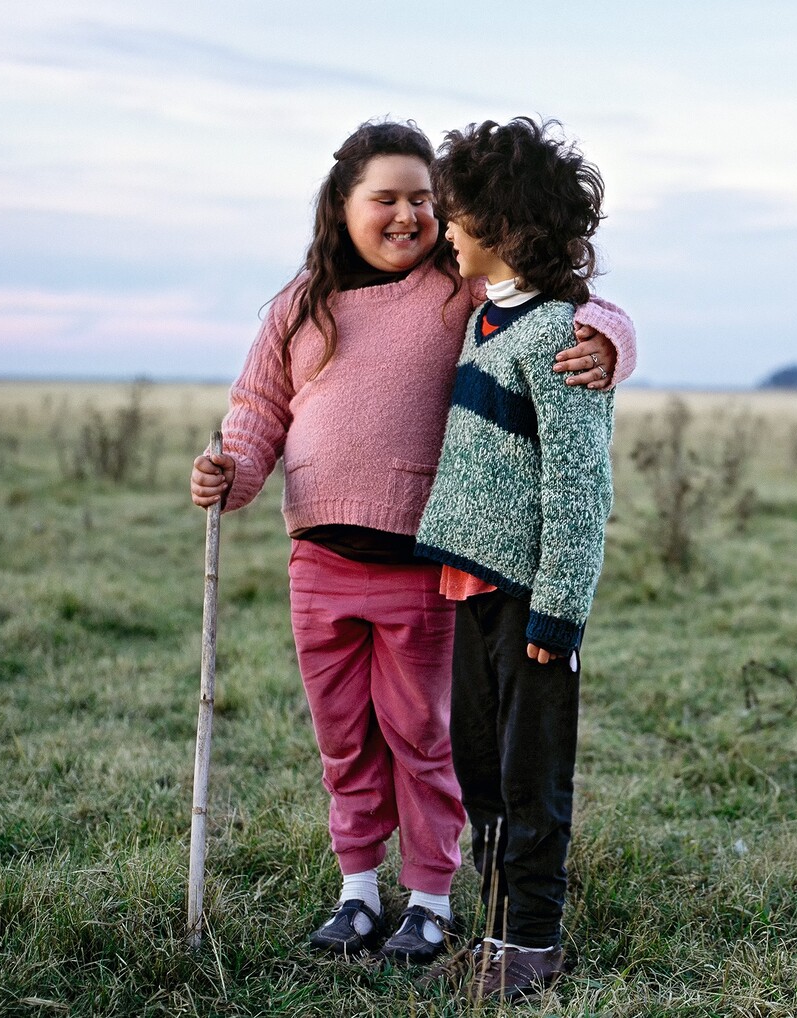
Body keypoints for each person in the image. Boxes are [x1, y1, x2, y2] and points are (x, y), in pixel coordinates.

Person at [187, 119, 635, 967]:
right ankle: (358, 890)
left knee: (423, 738)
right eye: (385, 198)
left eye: (425, 200)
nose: (409, 215)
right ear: (341, 205)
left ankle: (430, 899)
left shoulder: (454, 285)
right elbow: (256, 413)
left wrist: (613, 340)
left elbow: (558, 300)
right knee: (344, 738)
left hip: (423, 567)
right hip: (317, 561)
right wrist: (229, 471)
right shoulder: (301, 302)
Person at [412, 117, 614, 1001]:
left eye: (456, 214)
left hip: (531, 599)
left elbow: (578, 486)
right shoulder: (485, 315)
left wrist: (560, 611)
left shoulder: (564, 338)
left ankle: (532, 943)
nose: (443, 227)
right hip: (470, 585)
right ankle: (493, 930)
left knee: (533, 776)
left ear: (501, 221)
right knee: (478, 766)